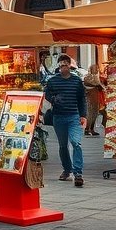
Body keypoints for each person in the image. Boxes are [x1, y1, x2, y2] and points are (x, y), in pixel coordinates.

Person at [43, 54, 86, 188]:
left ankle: (78, 173)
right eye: (60, 66)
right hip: (59, 117)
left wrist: (83, 115)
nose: (63, 68)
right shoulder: (53, 81)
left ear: (70, 65)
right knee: (62, 145)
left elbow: (81, 99)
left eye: (65, 65)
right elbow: (47, 94)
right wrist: (53, 99)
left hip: (74, 116)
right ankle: (67, 170)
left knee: (75, 142)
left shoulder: (77, 81)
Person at [84, 62, 107, 136]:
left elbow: (101, 86)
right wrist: (97, 85)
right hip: (90, 98)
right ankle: (87, 129)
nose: (96, 70)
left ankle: (92, 129)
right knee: (90, 114)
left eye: (97, 68)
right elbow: (88, 84)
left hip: (96, 98)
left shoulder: (98, 77)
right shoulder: (87, 77)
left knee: (95, 114)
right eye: (95, 68)